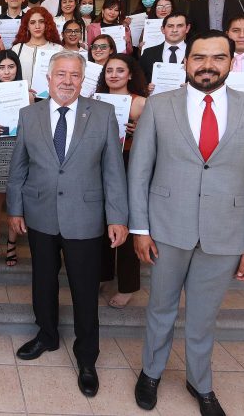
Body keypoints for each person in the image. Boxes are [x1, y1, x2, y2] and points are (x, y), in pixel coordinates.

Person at [129, 31, 244, 415]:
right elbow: (139, 171)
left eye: (217, 57)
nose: (207, 65)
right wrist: (140, 229)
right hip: (166, 227)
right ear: (186, 62)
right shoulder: (161, 106)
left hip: (226, 231)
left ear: (231, 62)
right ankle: (151, 373)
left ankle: (201, 382)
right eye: (199, 57)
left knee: (203, 315)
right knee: (160, 307)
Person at [7, 50, 128, 398]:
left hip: (86, 218)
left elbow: (113, 171)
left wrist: (117, 216)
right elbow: (19, 168)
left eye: (75, 75)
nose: (67, 81)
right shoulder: (29, 115)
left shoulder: (103, 114)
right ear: (48, 78)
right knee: (42, 282)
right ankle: (46, 335)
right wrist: (15, 210)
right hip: (41, 214)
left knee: (85, 290)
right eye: (61, 74)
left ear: (83, 80)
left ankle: (87, 357)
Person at [95, 53, 148, 308]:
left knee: (124, 224)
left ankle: (128, 285)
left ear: (130, 74)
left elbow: (154, 141)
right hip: (98, 165)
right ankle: (103, 274)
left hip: (127, 165)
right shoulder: (94, 101)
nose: (113, 74)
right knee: (101, 223)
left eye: (119, 70)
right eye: (109, 70)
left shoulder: (140, 104)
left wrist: (139, 132)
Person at [0, 51, 32, 266]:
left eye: (11, 67)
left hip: (21, 151)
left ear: (18, 69)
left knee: (17, 198)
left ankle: (12, 243)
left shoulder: (28, 94)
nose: (6, 72)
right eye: (2, 67)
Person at [11, 6, 63, 88]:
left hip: (49, 98)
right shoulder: (17, 49)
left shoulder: (57, 49)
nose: (37, 26)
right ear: (27, 26)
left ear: (47, 24)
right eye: (32, 22)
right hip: (23, 97)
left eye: (41, 22)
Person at [140, 12, 190, 86]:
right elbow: (139, 79)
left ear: (187, 28)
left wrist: (192, 86)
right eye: (170, 26)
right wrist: (146, 88)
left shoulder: (196, 53)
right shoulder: (148, 53)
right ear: (162, 29)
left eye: (179, 26)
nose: (174, 30)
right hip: (154, 97)